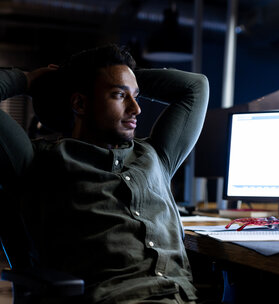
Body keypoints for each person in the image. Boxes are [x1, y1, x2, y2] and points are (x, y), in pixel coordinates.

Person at [0, 44, 209, 303]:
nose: (136, 109)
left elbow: (197, 86)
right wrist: (30, 78)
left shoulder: (156, 155)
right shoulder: (40, 161)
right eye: (120, 96)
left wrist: (122, 75)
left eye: (136, 96)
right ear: (80, 103)